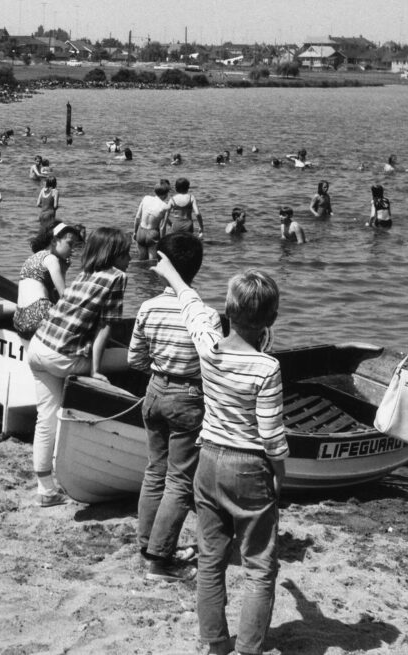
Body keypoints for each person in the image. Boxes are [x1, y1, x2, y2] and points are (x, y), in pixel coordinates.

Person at [155, 258, 287, 655]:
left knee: (211, 560)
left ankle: (215, 644)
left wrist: (170, 273)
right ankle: (248, 649)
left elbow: (191, 304)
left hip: (208, 461)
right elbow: (272, 437)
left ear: (227, 311)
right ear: (271, 319)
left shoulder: (208, 347)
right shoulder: (267, 367)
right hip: (249, 468)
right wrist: (280, 476)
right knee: (259, 567)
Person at [129, 232, 215, 582]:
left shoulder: (148, 308)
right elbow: (213, 364)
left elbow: (135, 359)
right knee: (179, 481)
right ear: (196, 268)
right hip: (187, 398)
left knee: (154, 471)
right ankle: (159, 560)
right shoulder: (204, 314)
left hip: (154, 392)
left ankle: (147, 542)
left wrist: (159, 369)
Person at [26, 227, 131, 506]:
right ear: (115, 255)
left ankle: (45, 489)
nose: (131, 259)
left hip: (37, 348)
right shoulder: (118, 277)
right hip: (62, 356)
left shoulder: (86, 273)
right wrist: (95, 370)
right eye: (127, 253)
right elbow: (106, 328)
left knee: (45, 418)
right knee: (135, 358)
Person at [13, 221, 82, 339]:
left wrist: (63, 270)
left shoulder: (34, 257)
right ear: (54, 241)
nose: (72, 250)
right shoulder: (51, 259)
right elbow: (63, 296)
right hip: (39, 313)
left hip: (19, 319)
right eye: (70, 244)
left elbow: (49, 293)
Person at [133, 180, 171, 260]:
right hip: (152, 233)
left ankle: (139, 272)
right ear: (166, 194)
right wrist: (162, 242)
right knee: (152, 262)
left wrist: (135, 232)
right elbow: (162, 227)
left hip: (141, 231)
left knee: (142, 259)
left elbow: (137, 217)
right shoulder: (165, 206)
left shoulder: (146, 198)